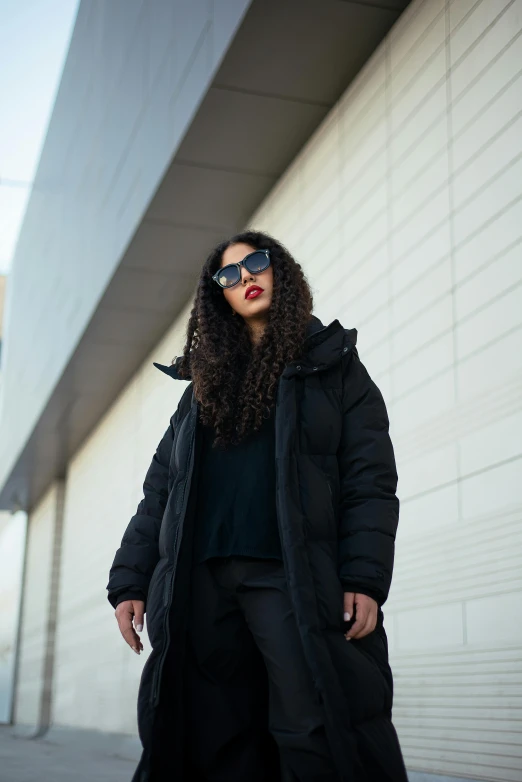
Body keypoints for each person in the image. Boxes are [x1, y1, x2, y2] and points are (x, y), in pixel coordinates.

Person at [106, 230, 409, 782]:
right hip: (200, 585)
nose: (244, 278)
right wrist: (130, 581)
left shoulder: (333, 367)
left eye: (256, 264)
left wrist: (364, 576)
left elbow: (371, 480)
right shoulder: (202, 388)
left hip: (288, 576)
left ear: (281, 272)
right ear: (217, 296)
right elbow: (160, 491)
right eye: (228, 275)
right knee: (214, 734)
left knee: (310, 724)